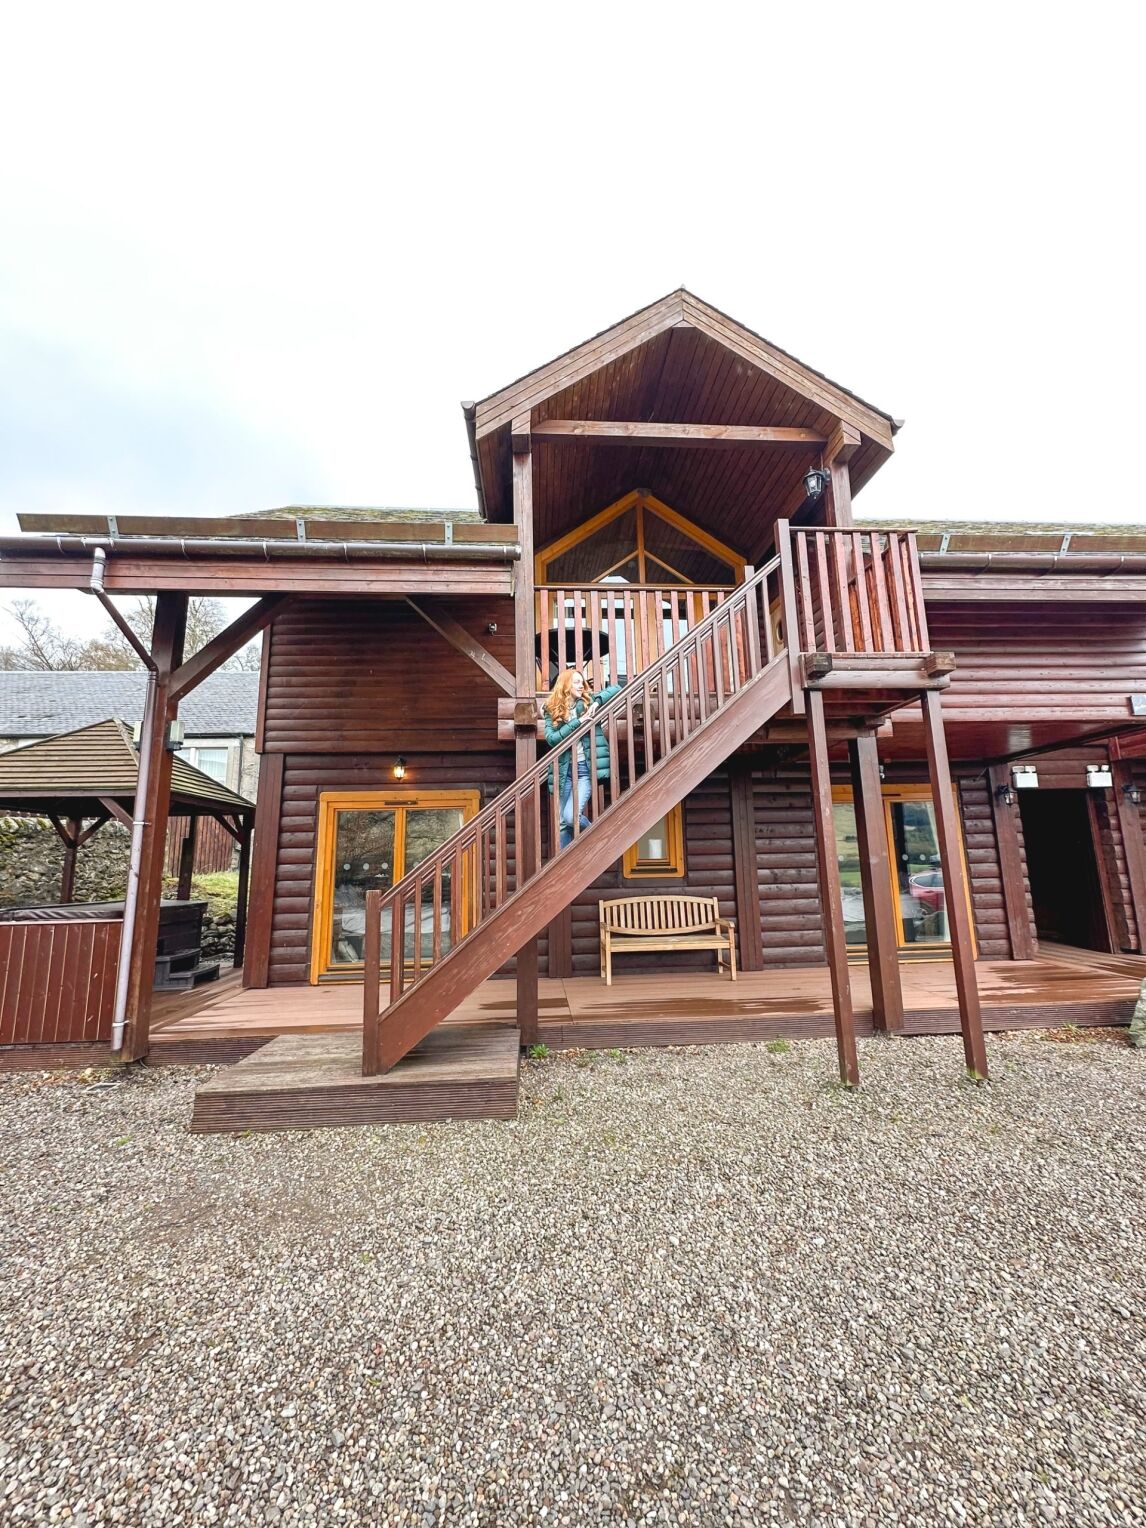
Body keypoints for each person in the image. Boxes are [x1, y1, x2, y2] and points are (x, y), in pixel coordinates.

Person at [543, 666, 624, 849]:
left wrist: (596, 702)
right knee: (564, 823)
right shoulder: (551, 709)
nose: (581, 685)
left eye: (582, 682)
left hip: (583, 769)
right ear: (566, 685)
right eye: (577, 682)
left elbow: (616, 689)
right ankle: (564, 861)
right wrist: (578, 722)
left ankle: (597, 836)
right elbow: (552, 739)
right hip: (563, 772)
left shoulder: (587, 702)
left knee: (571, 817)